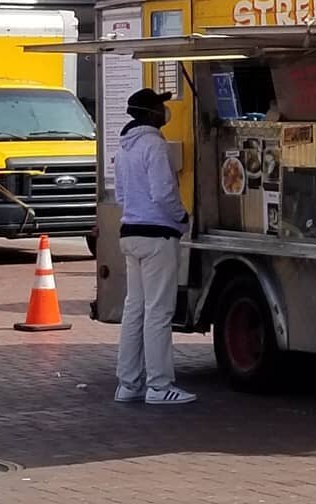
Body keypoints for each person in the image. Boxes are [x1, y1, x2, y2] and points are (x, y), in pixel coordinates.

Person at [114, 88, 195, 405]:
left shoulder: (123, 150)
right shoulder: (154, 146)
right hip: (158, 236)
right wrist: (182, 217)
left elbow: (120, 196)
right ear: (150, 113)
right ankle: (159, 386)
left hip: (130, 233)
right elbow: (164, 193)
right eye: (161, 105)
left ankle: (128, 383)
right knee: (159, 312)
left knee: (134, 310)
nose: (165, 110)